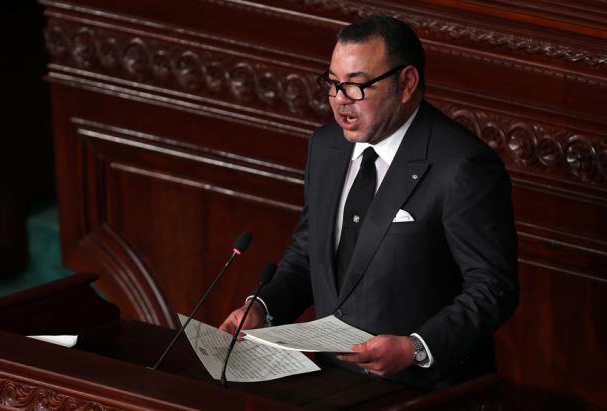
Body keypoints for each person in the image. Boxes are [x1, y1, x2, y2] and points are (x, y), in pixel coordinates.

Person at [220, 15, 519, 389]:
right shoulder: (326, 147)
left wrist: (416, 348)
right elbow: (308, 255)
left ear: (407, 83)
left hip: (425, 391)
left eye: (357, 86)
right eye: (332, 83)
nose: (340, 101)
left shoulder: (462, 166)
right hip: (334, 385)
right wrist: (262, 309)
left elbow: (493, 287)